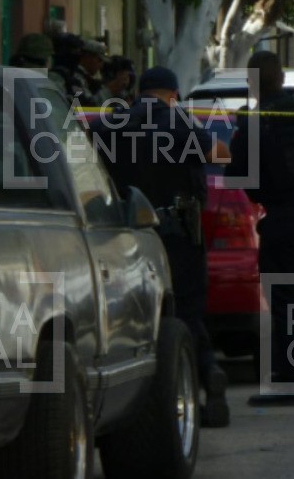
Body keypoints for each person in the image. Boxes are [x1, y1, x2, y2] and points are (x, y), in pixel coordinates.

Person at [89, 66, 233, 427]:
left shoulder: (109, 124)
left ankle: (143, 397)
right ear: (172, 93)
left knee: (134, 316)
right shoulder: (178, 123)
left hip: (125, 236)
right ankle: (205, 374)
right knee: (185, 311)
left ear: (140, 92)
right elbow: (220, 154)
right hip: (177, 234)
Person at [226, 51, 294, 406]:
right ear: (282, 78)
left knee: (285, 302)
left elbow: (237, 177)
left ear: (251, 83)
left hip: (283, 220)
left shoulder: (252, 123)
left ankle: (289, 381)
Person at [70, 40, 108, 106]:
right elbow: (88, 104)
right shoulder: (76, 78)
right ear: (87, 57)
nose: (101, 65)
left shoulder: (88, 79)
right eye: (99, 60)